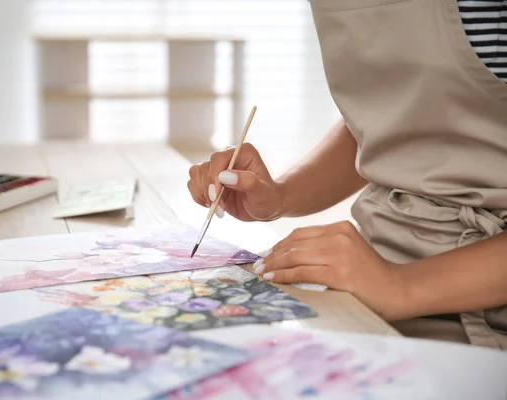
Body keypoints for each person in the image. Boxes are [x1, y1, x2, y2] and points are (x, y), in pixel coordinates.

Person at [186, 0, 507, 350]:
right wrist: (280, 195)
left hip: (481, 309)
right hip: (370, 284)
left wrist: (402, 285)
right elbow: (400, 112)